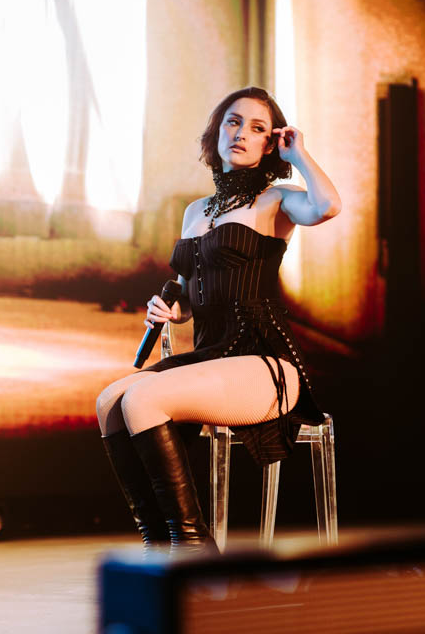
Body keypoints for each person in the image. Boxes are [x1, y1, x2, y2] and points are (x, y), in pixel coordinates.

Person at [95, 86, 341, 554]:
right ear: (218, 130)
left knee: (143, 398)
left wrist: (300, 155)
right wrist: (174, 311)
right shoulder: (196, 211)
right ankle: (159, 545)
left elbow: (328, 206)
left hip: (264, 361)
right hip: (211, 356)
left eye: (257, 127)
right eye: (233, 121)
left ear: (271, 143)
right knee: (109, 402)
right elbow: (189, 295)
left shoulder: (277, 200)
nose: (242, 133)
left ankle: (192, 548)